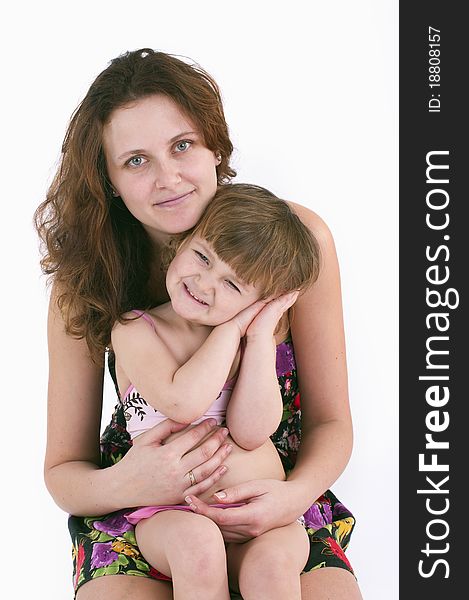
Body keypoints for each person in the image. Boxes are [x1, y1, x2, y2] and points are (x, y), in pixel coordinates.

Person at [35, 48, 362, 600]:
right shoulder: (88, 282)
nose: (169, 178)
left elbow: (333, 422)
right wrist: (130, 483)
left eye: (181, 145)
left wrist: (293, 496)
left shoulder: (293, 244)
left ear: (215, 146)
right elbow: (64, 472)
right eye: (135, 160)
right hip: (144, 514)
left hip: (275, 505)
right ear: (109, 180)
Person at [112, 183, 319, 599]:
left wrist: (259, 338)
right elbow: (183, 403)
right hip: (171, 515)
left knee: (274, 565)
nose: (204, 284)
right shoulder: (136, 330)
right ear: (183, 242)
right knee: (198, 547)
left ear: (258, 303)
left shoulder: (249, 342)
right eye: (203, 257)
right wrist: (230, 328)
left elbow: (251, 431)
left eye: (233, 286)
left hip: (260, 520)